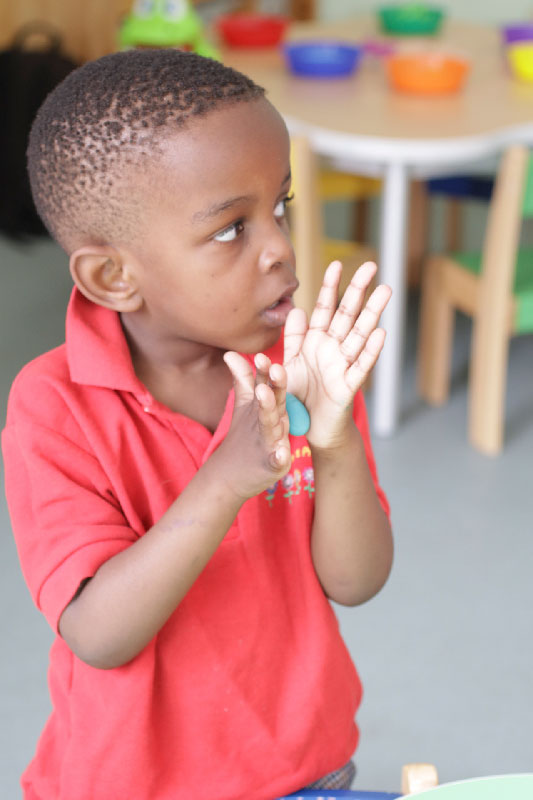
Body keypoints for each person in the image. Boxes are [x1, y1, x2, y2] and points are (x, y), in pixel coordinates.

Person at [2, 49, 393, 800]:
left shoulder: (298, 364)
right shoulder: (53, 406)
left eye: (280, 207)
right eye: (229, 230)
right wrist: (225, 480)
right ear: (115, 277)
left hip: (307, 767)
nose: (279, 249)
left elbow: (357, 581)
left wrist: (335, 439)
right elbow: (98, 634)